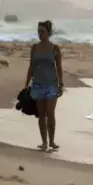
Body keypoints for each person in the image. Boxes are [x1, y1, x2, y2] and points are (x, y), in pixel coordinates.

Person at [24, 20, 64, 151]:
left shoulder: (55, 48)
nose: (40, 34)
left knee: (50, 112)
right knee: (41, 114)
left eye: (42, 32)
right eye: (38, 32)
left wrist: (61, 84)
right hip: (37, 85)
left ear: (49, 33)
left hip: (52, 85)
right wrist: (26, 83)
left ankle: (52, 141)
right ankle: (44, 141)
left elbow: (59, 67)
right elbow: (31, 66)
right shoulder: (34, 48)